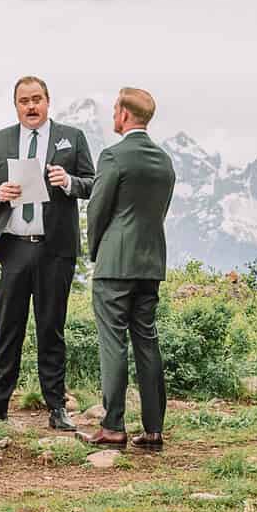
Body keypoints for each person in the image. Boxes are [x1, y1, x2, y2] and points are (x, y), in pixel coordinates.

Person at [0, 76, 96, 430]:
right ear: (16, 105)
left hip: (54, 248)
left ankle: (57, 408)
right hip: (10, 247)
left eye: (37, 99)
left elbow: (92, 183)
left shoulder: (73, 138)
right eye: (24, 101)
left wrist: (68, 182)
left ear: (48, 101)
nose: (31, 106)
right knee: (7, 328)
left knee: (51, 328)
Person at [84, 88, 177, 450]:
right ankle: (153, 430)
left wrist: (97, 251)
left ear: (123, 114)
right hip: (151, 261)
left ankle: (113, 426)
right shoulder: (164, 160)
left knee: (113, 343)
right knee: (147, 341)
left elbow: (98, 208)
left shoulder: (113, 156)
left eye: (114, 109)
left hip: (115, 263)